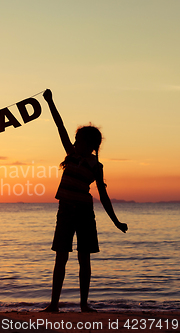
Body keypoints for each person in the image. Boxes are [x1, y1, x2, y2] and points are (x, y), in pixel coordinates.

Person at [42, 89, 127, 313]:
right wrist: (50, 102)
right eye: (76, 139)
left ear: (90, 145)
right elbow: (59, 127)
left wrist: (116, 222)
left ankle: (83, 304)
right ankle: (54, 304)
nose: (75, 141)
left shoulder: (96, 166)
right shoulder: (70, 154)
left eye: (79, 140)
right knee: (61, 257)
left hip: (84, 213)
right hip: (65, 212)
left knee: (84, 259)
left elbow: (104, 196)